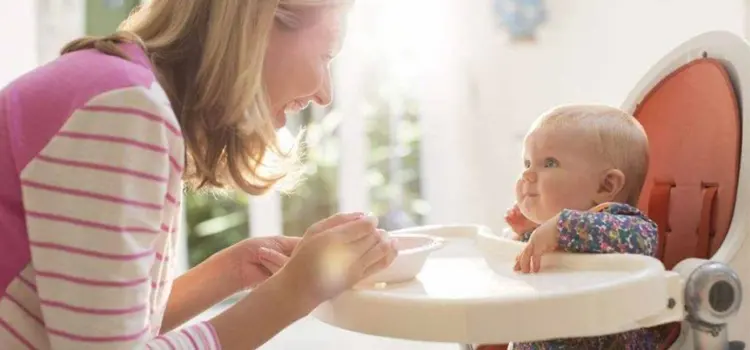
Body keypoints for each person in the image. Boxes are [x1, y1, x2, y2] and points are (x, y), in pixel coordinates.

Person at [0, 0, 397, 349]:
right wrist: (292, 294)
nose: (325, 94)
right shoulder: (125, 106)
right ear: (257, 24)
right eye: (327, 55)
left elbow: (106, 331)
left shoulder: (119, 88)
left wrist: (235, 269)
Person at [476, 104, 671, 349]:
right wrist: (524, 232)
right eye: (527, 163)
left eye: (549, 163)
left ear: (606, 186)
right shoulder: (548, 235)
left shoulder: (622, 224)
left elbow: (644, 241)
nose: (527, 175)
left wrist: (561, 227)